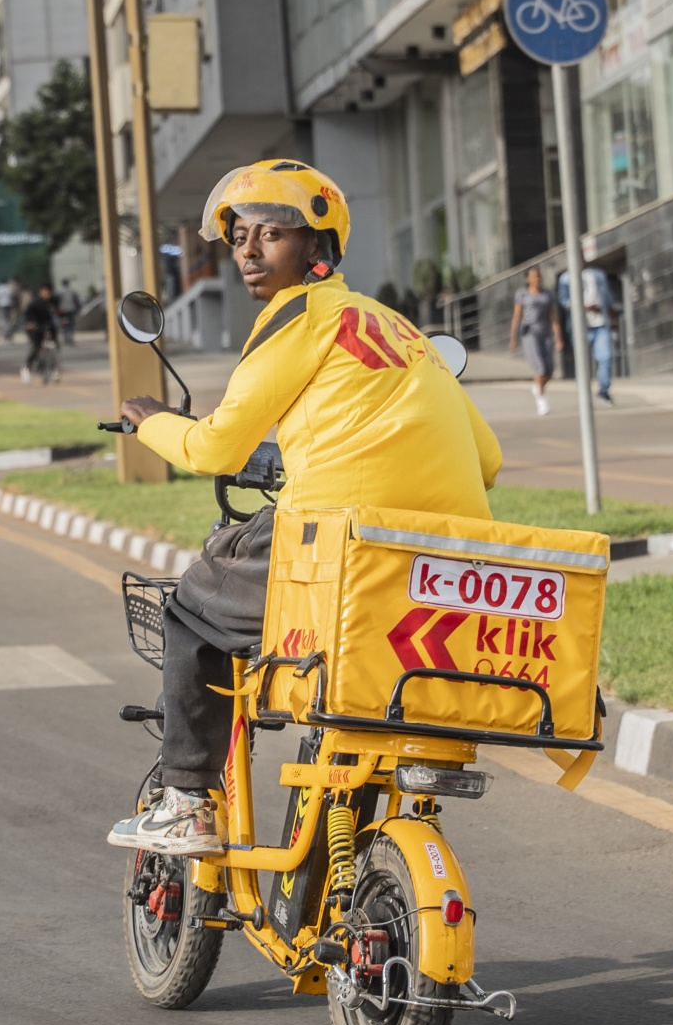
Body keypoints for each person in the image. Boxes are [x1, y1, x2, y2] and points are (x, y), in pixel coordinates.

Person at [107, 159, 502, 855]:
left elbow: (219, 447)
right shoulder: (399, 329)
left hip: (336, 546)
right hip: (440, 561)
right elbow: (490, 460)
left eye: (272, 235)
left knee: (191, 606)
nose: (250, 252)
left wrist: (150, 422)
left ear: (316, 248)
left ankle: (188, 801)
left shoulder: (296, 317)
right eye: (239, 239)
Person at [557, 263, 619, 404]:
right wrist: (584, 307)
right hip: (579, 326)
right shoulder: (566, 277)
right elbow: (563, 300)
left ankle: (603, 391)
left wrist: (614, 320)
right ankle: (583, 395)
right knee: (581, 362)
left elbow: (608, 297)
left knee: (606, 358)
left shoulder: (598, 274)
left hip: (601, 324)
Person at [508, 264, 561, 416]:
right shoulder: (523, 294)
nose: (538, 278)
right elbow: (517, 316)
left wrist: (558, 337)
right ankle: (541, 400)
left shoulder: (547, 294)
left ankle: (538, 387)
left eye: (539, 275)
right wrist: (513, 338)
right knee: (540, 368)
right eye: (534, 276)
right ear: (528, 278)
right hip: (530, 335)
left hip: (546, 335)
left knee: (550, 370)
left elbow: (553, 317)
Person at [22, 283, 58, 372]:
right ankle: (27, 366)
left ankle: (55, 367)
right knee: (36, 346)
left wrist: (64, 318)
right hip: (34, 326)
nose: (47, 294)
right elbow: (28, 314)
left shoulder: (53, 301)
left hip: (47, 325)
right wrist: (30, 323)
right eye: (45, 291)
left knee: (55, 344)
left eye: (49, 291)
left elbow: (59, 310)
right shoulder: (35, 303)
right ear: (41, 292)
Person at [56, 278, 81, 345]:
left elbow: (57, 302)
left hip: (63, 311)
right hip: (71, 310)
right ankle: (70, 337)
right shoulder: (73, 291)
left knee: (64, 324)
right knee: (72, 324)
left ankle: (66, 337)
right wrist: (78, 309)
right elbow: (77, 301)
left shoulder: (59, 292)